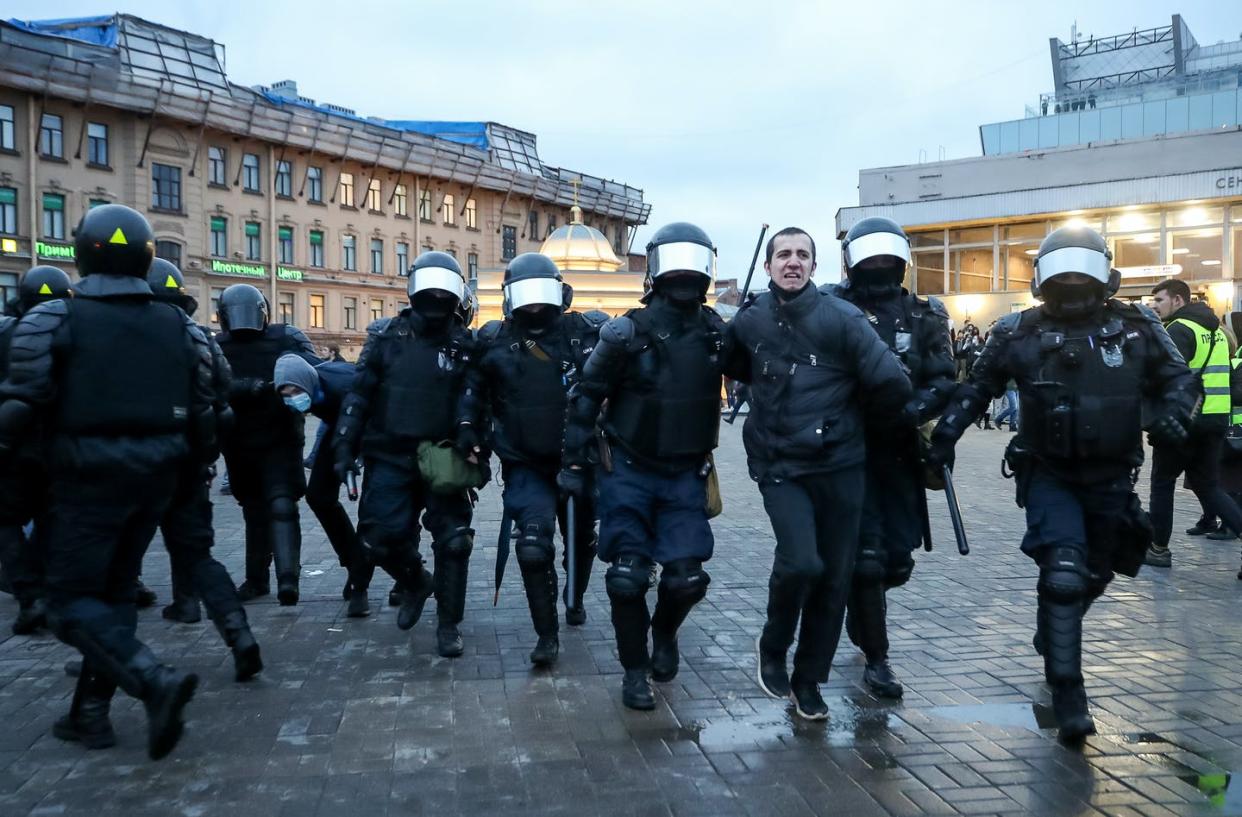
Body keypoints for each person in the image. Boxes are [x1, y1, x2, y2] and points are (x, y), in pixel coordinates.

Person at [927, 226, 1196, 743]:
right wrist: (946, 437)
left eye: (1082, 267)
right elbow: (978, 386)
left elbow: (1180, 378)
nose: (1071, 279)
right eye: (1061, 268)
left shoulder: (1136, 326)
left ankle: (1054, 625)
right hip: (1048, 471)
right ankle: (1068, 689)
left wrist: (1176, 412)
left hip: (1113, 474)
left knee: (1099, 568)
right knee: (1065, 570)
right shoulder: (1018, 331)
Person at [0, 204, 218, 758]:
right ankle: (89, 714)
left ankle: (152, 680)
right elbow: (206, 410)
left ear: (81, 251)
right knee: (115, 592)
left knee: (68, 599)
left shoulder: (54, 319)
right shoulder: (181, 325)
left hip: (84, 480)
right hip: (157, 480)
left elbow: (23, 403)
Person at [726, 227, 912, 719]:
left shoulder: (843, 318)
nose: (792, 262)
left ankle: (808, 680)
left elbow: (893, 381)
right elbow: (732, 365)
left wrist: (850, 421)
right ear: (768, 266)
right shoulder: (750, 321)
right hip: (780, 465)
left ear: (814, 266)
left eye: (802, 255)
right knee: (802, 562)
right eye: (783, 254)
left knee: (834, 580)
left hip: (841, 469)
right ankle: (773, 644)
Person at [561, 222, 733, 711]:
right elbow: (586, 397)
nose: (683, 272)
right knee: (627, 577)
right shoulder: (624, 334)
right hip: (629, 470)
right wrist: (574, 463)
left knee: (686, 579)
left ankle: (664, 631)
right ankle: (634, 671)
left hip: (685, 472)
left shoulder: (718, 333)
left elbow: (768, 367)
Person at [827, 218, 955, 700]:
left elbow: (945, 378)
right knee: (867, 558)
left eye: (887, 255)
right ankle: (878, 661)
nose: (879, 264)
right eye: (871, 255)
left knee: (895, 563)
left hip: (899, 451)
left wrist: (914, 410)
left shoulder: (924, 315)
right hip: (847, 450)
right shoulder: (831, 309)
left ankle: (861, 611)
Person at [458, 252, 605, 666]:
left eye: (544, 292)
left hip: (579, 461)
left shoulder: (585, 333)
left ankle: (573, 596)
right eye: (526, 293)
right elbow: (473, 389)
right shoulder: (493, 340)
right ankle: (547, 635)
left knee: (581, 540)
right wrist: (469, 429)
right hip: (526, 465)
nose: (535, 303)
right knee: (533, 547)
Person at [334, 251, 479, 657]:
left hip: (444, 454)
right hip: (390, 453)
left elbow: (474, 395)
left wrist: (470, 430)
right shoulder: (386, 339)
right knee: (378, 538)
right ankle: (415, 581)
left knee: (453, 541)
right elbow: (359, 395)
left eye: (443, 288)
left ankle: (449, 623)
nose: (435, 295)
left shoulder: (464, 345)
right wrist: (344, 446)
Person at [142, 259, 263, 680]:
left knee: (113, 562)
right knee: (196, 552)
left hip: (125, 466)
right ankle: (237, 634)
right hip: (187, 461)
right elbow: (220, 399)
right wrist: (206, 456)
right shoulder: (198, 336)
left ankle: (107, 655)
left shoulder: (111, 325)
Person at [215, 284, 320, 604]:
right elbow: (203, 383)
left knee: (280, 504)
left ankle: (288, 580)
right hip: (240, 439)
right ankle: (257, 579)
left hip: (279, 437)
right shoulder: (215, 345)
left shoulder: (286, 338)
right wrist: (247, 388)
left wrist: (285, 387)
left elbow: (312, 374)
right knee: (254, 509)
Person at [1145, 279, 1242, 567]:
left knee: (1162, 483)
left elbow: (1165, 377)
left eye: (1160, 301)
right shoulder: (1219, 334)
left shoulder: (1177, 330)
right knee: (1210, 486)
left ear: (1178, 300)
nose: (1156, 307)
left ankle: (1158, 549)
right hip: (1214, 420)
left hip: (1184, 420)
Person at [272, 352, 375, 617]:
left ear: (307, 382)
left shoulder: (342, 385)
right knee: (318, 496)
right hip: (338, 428)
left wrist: (359, 456)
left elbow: (371, 414)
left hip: (373, 426)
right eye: (285, 394)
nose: (291, 398)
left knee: (373, 508)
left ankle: (364, 582)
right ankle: (353, 562)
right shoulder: (301, 391)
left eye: (294, 392)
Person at [0, 265, 73, 634]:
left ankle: (30, 596)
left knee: (5, 520)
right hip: (63, 446)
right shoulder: (77, 334)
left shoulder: (6, 331)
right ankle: (43, 587)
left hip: (13, 445)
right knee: (50, 517)